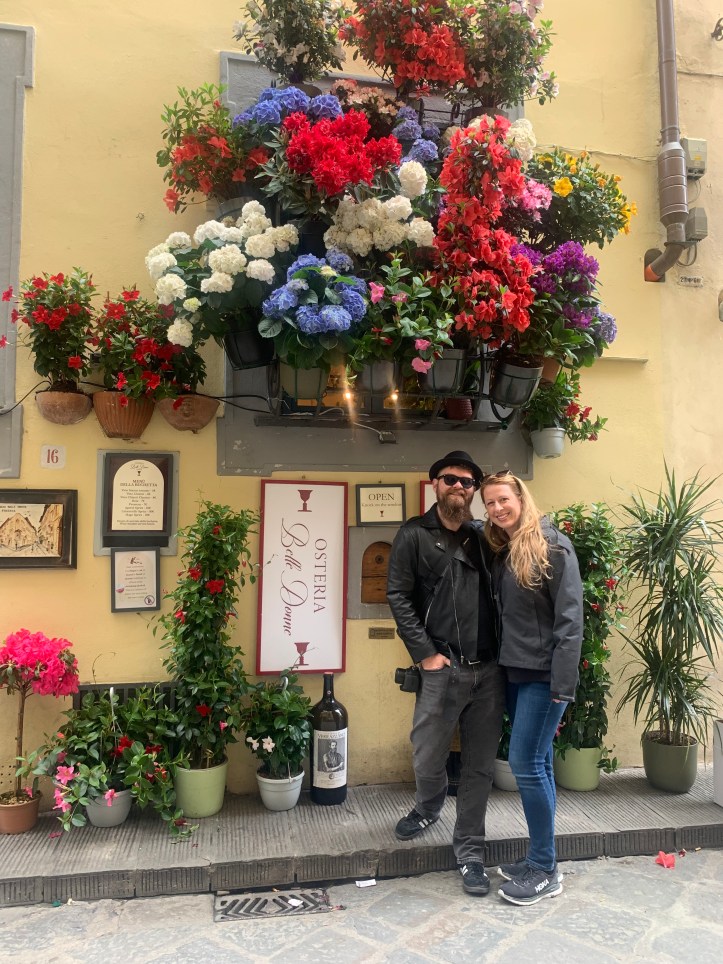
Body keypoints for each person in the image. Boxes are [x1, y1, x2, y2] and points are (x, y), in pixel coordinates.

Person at [387, 450, 505, 896]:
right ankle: (428, 806)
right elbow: (398, 596)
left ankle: (471, 851)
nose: (459, 486)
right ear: (434, 483)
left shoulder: (484, 536)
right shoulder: (413, 535)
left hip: (489, 671)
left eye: (467, 482)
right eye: (451, 479)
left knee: (479, 766)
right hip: (442, 668)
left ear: (474, 490)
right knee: (426, 754)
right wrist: (426, 655)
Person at [480, 470, 583, 906]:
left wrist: (563, 683)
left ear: (521, 498)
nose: (497, 508)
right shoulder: (507, 549)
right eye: (489, 503)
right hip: (518, 672)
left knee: (524, 763)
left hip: (544, 676)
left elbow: (570, 619)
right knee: (537, 763)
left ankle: (545, 870)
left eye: (504, 499)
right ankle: (541, 858)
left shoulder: (553, 547)